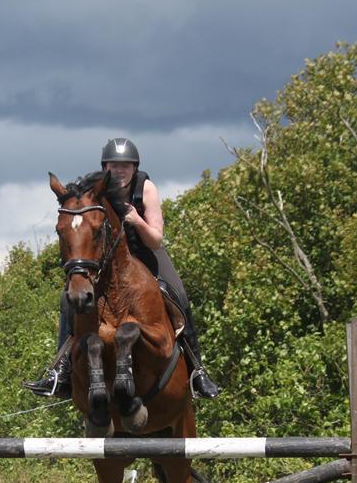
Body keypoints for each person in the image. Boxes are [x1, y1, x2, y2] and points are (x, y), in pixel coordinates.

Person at [24, 137, 220, 399]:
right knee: (67, 298)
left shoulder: (146, 189)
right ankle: (60, 370)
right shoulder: (95, 190)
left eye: (126, 166)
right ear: (105, 167)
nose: (120, 171)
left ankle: (198, 370)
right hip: (107, 259)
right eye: (114, 165)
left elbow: (156, 239)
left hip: (145, 250)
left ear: (135, 168)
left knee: (178, 293)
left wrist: (137, 220)